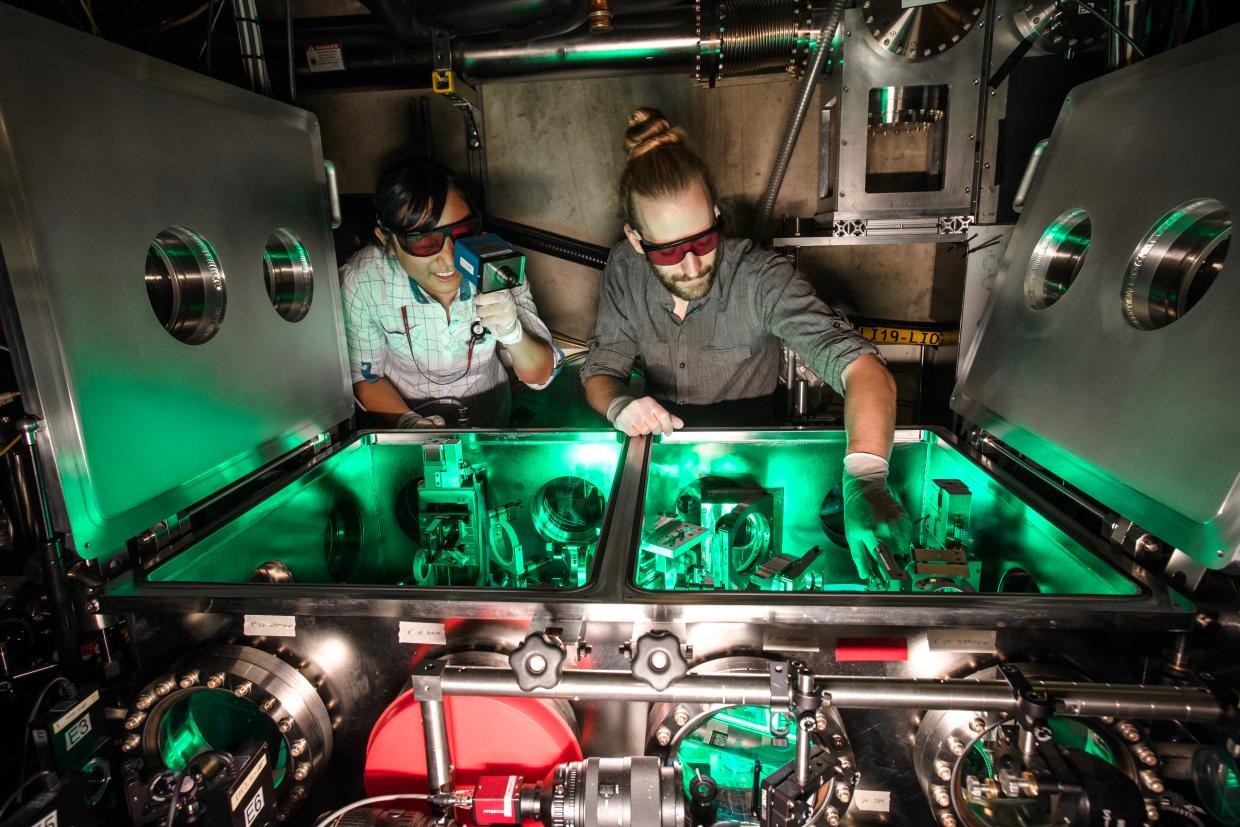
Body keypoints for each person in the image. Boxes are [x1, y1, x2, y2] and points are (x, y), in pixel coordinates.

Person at [579, 107, 911, 579]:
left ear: (717, 216)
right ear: (636, 239)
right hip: (665, 463)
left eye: (704, 239)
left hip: (758, 466)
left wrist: (867, 479)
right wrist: (618, 406)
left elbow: (862, 369)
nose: (693, 266)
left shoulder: (761, 277)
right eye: (670, 251)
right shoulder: (624, 269)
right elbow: (600, 371)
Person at [341, 159, 559, 429]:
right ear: (388, 240)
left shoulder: (497, 265)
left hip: (489, 419)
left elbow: (540, 374)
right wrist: (410, 425)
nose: (448, 258)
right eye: (423, 240)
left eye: (463, 233)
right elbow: (366, 377)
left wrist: (514, 334)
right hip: (404, 414)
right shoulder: (364, 281)